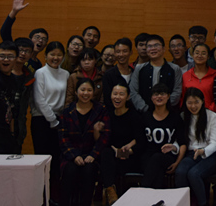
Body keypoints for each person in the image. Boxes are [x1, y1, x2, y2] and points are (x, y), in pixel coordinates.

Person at [58, 77, 110, 206]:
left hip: (92, 156)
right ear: (76, 92)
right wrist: (74, 156)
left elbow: (105, 137)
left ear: (93, 92)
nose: (86, 93)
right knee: (70, 170)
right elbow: (63, 138)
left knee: (89, 171)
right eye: (82, 90)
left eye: (89, 90)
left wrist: (93, 155)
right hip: (71, 155)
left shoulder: (101, 110)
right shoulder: (67, 111)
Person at [32, 41, 70, 201]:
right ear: (46, 55)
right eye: (52, 54)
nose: (55, 58)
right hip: (42, 121)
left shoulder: (66, 74)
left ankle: (54, 197)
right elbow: (39, 100)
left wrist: (59, 121)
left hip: (59, 121)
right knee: (43, 160)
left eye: (59, 55)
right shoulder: (40, 73)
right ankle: (39, 197)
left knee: (56, 162)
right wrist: (53, 121)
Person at [100, 82, 145, 206]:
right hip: (112, 156)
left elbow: (141, 142)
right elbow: (105, 141)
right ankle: (111, 192)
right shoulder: (108, 115)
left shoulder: (134, 116)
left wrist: (128, 151)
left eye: (121, 94)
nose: (117, 97)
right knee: (106, 154)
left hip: (130, 157)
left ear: (128, 97)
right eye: (115, 94)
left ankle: (112, 194)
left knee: (111, 166)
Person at [176, 88, 216, 206]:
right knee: (180, 172)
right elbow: (179, 140)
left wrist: (203, 151)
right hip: (191, 154)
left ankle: (203, 203)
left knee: (194, 174)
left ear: (202, 101)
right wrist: (173, 147)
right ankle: (184, 203)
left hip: (210, 155)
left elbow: (215, 143)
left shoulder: (212, 116)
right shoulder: (183, 116)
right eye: (189, 103)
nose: (193, 106)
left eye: (196, 102)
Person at [141, 83, 187, 188]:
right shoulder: (145, 117)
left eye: (162, 94)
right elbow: (141, 141)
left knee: (157, 159)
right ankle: (155, 196)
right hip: (148, 156)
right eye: (156, 94)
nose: (159, 97)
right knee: (157, 170)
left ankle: (143, 189)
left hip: (168, 157)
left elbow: (183, 143)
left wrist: (177, 163)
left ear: (168, 96)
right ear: (151, 97)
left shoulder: (175, 117)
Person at [129, 34, 183, 112]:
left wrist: (163, 108)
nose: (153, 48)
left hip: (168, 112)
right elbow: (133, 91)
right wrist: (145, 108)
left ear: (163, 48)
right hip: (144, 113)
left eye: (156, 45)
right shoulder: (139, 69)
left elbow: (177, 91)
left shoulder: (175, 69)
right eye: (149, 46)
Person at [0, 0, 48, 71]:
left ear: (45, 45)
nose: (40, 40)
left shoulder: (38, 64)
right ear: (30, 39)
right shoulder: (16, 51)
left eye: (44, 39)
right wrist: (14, 12)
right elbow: (4, 32)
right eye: (37, 37)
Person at [182, 43, 216, 112]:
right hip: (190, 113)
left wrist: (209, 111)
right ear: (192, 55)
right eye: (197, 53)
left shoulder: (215, 75)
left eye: (203, 53)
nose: (200, 56)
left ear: (208, 56)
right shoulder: (186, 75)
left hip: (210, 113)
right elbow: (183, 98)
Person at [102, 37, 134, 109]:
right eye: (118, 52)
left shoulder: (135, 73)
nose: (121, 54)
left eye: (125, 51)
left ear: (131, 52)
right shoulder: (109, 74)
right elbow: (107, 100)